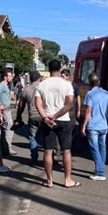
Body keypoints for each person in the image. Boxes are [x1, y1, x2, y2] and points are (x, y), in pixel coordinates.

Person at [35, 60, 80, 189]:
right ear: (60, 69)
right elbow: (70, 104)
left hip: (47, 120)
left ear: (48, 69)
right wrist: (56, 116)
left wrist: (46, 117)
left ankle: (49, 181)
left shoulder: (42, 84)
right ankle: (68, 180)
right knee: (66, 150)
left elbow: (38, 104)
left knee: (48, 150)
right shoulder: (66, 84)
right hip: (64, 120)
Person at [81, 72, 108, 181]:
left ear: (90, 83)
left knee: (94, 149)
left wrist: (84, 125)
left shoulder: (90, 94)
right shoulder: (106, 93)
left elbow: (88, 111)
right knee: (102, 148)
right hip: (103, 125)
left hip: (93, 126)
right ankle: (99, 169)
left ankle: (100, 173)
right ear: (98, 82)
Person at [16, 70, 42, 165]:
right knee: (47, 138)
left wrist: (18, 117)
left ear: (30, 79)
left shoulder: (26, 90)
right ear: (39, 79)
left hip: (33, 117)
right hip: (44, 116)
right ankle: (50, 158)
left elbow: (21, 106)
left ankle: (34, 159)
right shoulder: (43, 88)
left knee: (32, 138)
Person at [61, 68, 81, 151]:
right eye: (61, 76)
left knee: (72, 129)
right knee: (63, 129)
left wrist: (79, 110)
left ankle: (72, 147)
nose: (61, 78)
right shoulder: (60, 85)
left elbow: (78, 98)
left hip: (72, 111)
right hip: (62, 110)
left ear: (68, 76)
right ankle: (62, 148)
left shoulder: (74, 86)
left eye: (63, 76)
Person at [0, 70, 16, 156]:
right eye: (10, 76)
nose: (12, 77)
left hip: (7, 109)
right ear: (5, 77)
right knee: (9, 128)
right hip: (4, 110)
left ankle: (5, 147)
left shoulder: (6, 85)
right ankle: (8, 148)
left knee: (5, 129)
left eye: (12, 76)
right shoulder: (2, 85)